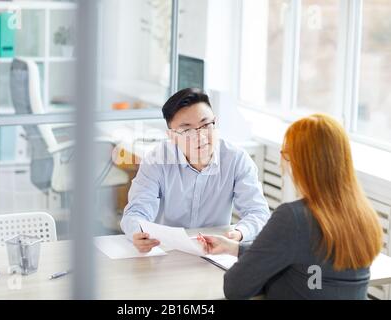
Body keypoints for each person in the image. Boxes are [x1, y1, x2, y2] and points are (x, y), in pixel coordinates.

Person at [198, 114, 383, 299]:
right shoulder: (364, 215)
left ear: (300, 162)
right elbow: (310, 260)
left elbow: (235, 287)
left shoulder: (293, 218)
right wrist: (235, 248)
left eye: (285, 153)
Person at [120, 88, 270, 252]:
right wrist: (139, 232)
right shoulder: (156, 160)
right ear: (172, 136)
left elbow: (258, 212)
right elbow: (136, 211)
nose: (201, 136)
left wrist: (239, 233)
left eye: (206, 125)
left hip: (214, 252)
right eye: (187, 130)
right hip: (166, 251)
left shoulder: (237, 159)